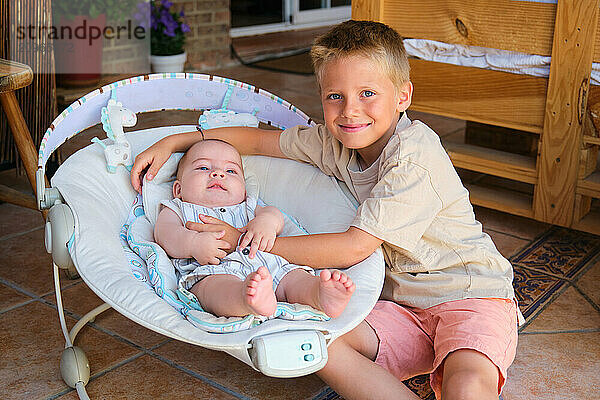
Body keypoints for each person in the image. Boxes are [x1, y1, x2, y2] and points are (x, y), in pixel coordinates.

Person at [133, 20, 518, 400]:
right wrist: (176, 141)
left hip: (470, 294)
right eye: (335, 96)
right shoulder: (334, 144)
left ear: (403, 96)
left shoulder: (414, 157)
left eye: (368, 93)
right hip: (401, 306)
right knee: (314, 343)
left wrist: (245, 240)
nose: (351, 111)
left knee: (466, 385)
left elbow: (354, 248)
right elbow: (257, 142)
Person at [154, 138, 355, 319]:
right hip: (212, 270)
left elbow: (275, 215)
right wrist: (192, 243)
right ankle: (246, 299)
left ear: (243, 188)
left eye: (231, 171)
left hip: (265, 263)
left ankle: (319, 294)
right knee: (213, 290)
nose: (218, 173)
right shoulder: (179, 207)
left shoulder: (248, 206)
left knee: (292, 278)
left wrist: (267, 222)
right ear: (178, 189)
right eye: (203, 168)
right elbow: (165, 233)